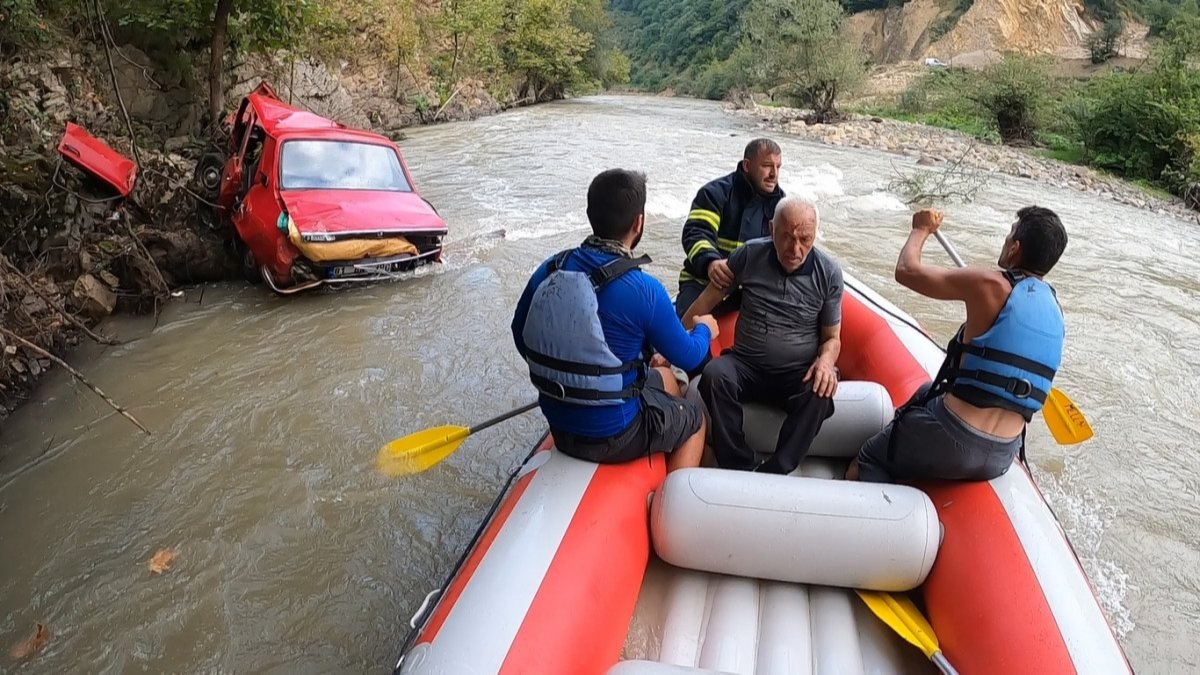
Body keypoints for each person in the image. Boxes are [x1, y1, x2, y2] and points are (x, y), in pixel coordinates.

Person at [511, 169, 721, 473]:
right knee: (694, 419)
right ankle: (671, 504)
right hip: (614, 436)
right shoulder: (644, 290)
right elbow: (691, 355)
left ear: (589, 214)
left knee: (665, 380)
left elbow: (521, 337)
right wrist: (705, 328)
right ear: (639, 222)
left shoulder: (549, 269)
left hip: (558, 424)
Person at [847, 206, 1068, 483]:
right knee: (926, 391)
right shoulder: (1056, 311)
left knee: (867, 458)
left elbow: (906, 271)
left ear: (1015, 248)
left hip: (953, 437)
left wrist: (920, 229)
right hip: (1002, 454)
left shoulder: (989, 284)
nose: (1006, 239)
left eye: (1009, 233)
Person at [681, 196, 843, 475]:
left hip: (797, 372)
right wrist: (672, 339)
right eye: (787, 237)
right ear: (771, 230)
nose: (795, 248)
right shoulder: (748, 255)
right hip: (746, 364)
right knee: (715, 374)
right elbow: (706, 302)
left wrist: (826, 362)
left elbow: (832, 338)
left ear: (815, 234)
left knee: (820, 392)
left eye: (805, 238)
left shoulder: (828, 272)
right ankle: (738, 462)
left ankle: (777, 469)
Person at [675, 138, 785, 320]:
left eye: (778, 167)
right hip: (701, 282)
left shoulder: (782, 205)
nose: (774, 174)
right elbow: (696, 233)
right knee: (688, 341)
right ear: (747, 165)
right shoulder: (714, 193)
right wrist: (710, 263)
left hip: (749, 292)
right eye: (767, 166)